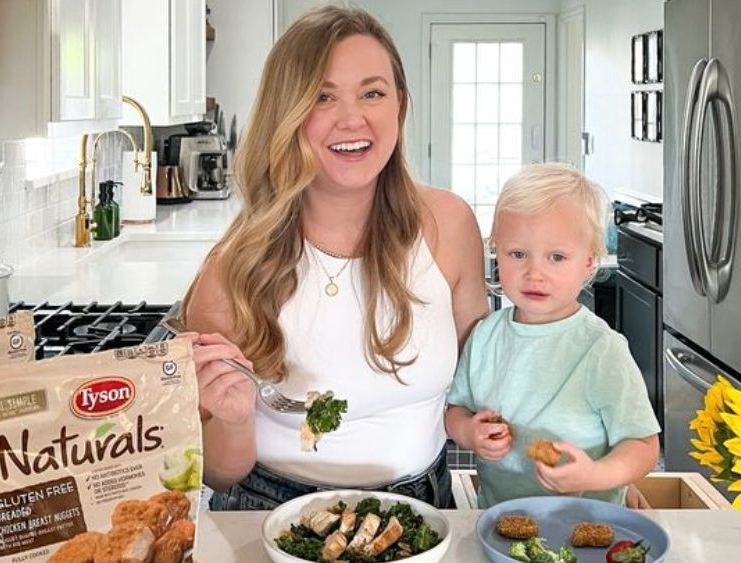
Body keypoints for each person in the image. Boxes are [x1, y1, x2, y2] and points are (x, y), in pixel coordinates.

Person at [180, 5, 488, 510]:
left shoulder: (449, 227)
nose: (352, 118)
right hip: (270, 512)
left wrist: (586, 464)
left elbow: (486, 381)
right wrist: (231, 417)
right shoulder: (231, 271)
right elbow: (219, 471)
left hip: (427, 512)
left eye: (372, 92)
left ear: (400, 105)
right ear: (289, 113)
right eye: (322, 97)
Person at [444, 163, 661, 508]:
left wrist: (599, 474)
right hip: (498, 521)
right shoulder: (484, 336)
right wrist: (469, 433)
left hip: (589, 521)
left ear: (589, 262)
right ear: (496, 251)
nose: (535, 273)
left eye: (557, 257)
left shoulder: (601, 349)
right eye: (517, 254)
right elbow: (456, 410)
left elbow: (644, 445)